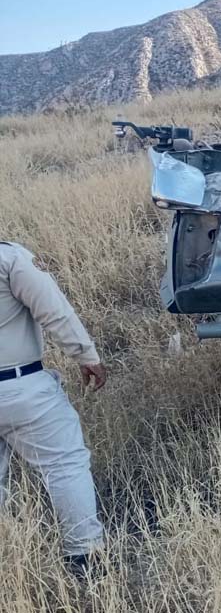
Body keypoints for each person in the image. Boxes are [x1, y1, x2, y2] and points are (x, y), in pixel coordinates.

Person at [0, 241, 106, 571]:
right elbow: (53, 310)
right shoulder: (10, 258)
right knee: (64, 465)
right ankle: (84, 556)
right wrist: (86, 355)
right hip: (20, 385)